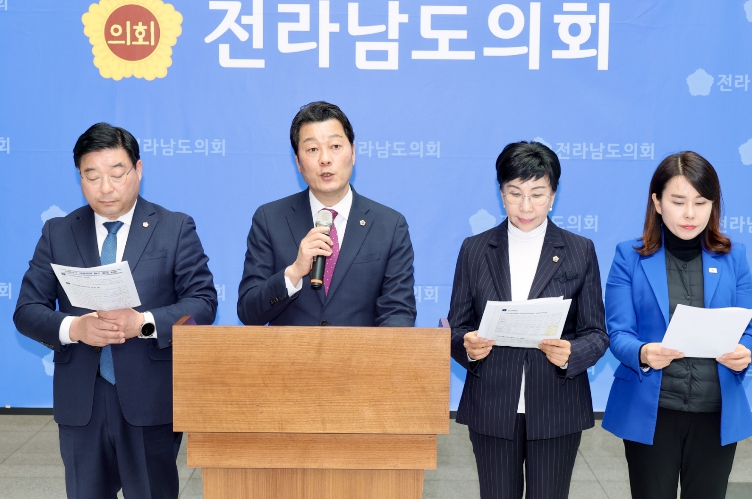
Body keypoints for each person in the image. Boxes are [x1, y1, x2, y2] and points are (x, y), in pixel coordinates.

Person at [13, 123, 218, 499]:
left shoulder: (173, 228)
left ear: (138, 169)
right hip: (82, 401)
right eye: (92, 176)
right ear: (80, 177)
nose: (105, 187)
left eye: (116, 173)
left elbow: (203, 302)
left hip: (149, 398)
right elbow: (27, 310)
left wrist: (143, 323)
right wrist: (75, 328)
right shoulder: (58, 232)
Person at [448, 141, 608, 499]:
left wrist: (571, 353)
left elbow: (596, 332)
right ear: (501, 192)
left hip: (556, 402)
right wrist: (468, 347)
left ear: (553, 196)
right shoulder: (475, 249)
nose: (525, 206)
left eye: (537, 194)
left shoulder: (579, 250)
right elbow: (457, 327)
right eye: (514, 193)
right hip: (492, 402)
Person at [602, 151, 752, 499]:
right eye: (678, 201)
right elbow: (618, 333)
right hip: (652, 411)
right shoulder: (629, 256)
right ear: (657, 202)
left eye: (701, 203)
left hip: (715, 411)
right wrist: (643, 352)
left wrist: (745, 350)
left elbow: (748, 326)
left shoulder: (735, 257)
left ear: (713, 206)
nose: (690, 214)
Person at [237, 101, 416, 327]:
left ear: (353, 153)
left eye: (335, 146)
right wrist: (294, 272)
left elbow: (399, 313)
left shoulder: (389, 225)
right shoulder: (269, 219)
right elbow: (248, 312)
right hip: (291, 350)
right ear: (298, 162)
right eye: (312, 149)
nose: (325, 159)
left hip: (361, 351)